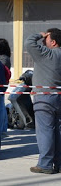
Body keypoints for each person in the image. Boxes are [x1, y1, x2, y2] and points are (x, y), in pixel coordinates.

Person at [26, 28, 61, 174]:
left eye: (46, 38)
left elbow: (29, 42)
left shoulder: (45, 54)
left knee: (45, 131)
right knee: (58, 132)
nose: (43, 41)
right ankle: (58, 163)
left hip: (44, 97)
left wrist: (39, 34)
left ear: (53, 42)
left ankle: (45, 164)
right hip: (59, 95)